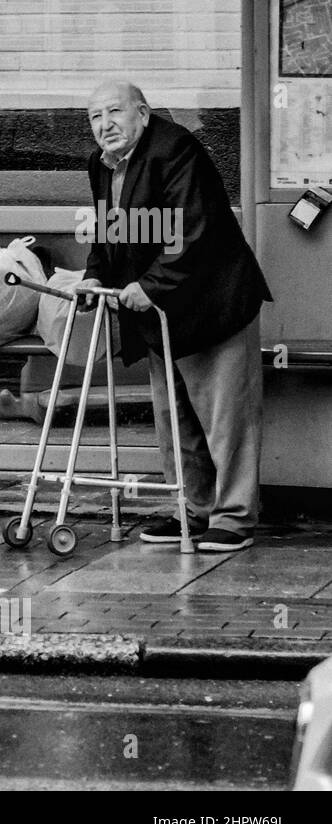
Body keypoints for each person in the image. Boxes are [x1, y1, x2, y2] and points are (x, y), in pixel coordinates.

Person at [77, 80, 272, 552]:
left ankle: (234, 518)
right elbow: (111, 231)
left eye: (115, 112)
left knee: (226, 420)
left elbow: (194, 227)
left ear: (142, 113)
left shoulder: (176, 149)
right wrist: (93, 275)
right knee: (175, 419)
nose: (105, 125)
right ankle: (193, 509)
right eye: (95, 117)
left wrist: (151, 285)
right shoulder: (101, 165)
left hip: (212, 304)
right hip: (161, 313)